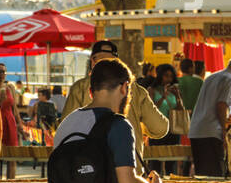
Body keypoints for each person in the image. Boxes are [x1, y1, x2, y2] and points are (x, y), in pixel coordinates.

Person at [64, 40, 169, 174]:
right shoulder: (136, 90)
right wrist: (139, 127)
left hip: (89, 173)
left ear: (92, 62)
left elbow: (66, 130)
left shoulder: (79, 89)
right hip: (130, 174)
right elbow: (160, 128)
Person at [187, 57, 231, 177]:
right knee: (215, 176)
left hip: (197, 130)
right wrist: (224, 132)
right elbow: (221, 105)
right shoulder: (230, 79)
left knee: (202, 175)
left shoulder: (212, 77)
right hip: (212, 131)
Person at [147, 63, 183, 174]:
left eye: (171, 76)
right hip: (157, 128)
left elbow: (180, 110)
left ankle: (171, 180)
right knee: (155, 159)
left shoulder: (174, 91)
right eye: (166, 75)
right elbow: (151, 108)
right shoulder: (152, 90)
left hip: (172, 129)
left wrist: (177, 97)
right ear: (160, 76)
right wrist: (163, 96)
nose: (168, 79)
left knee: (171, 160)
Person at [0, 63, 21, 178]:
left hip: (9, 122)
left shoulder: (10, 88)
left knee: (12, 155)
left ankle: (11, 182)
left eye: (3, 72)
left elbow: (14, 108)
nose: (1, 74)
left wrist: (20, 124)